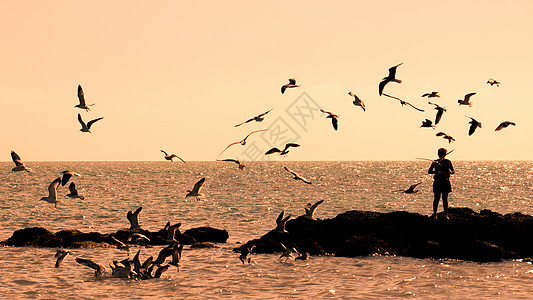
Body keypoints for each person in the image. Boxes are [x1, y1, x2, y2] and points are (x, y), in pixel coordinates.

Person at [428, 148, 454, 219]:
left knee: (445, 199)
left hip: (445, 182)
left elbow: (453, 171)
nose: (440, 155)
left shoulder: (448, 162)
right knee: (436, 198)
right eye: (439, 153)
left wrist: (448, 172)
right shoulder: (435, 162)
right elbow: (429, 171)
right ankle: (434, 214)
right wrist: (437, 172)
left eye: (442, 153)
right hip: (437, 182)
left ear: (445, 154)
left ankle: (446, 214)